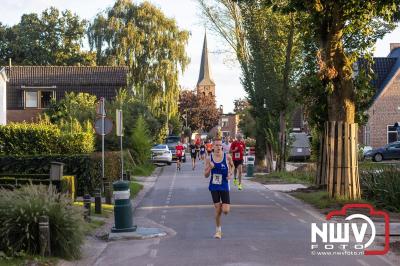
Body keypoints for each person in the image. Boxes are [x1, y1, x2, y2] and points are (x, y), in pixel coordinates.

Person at [204, 136, 234, 239]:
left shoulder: (227, 157)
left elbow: (232, 166)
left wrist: (230, 174)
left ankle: (221, 206)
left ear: (222, 146)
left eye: (220, 145)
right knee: (218, 210)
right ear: (213, 146)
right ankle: (218, 231)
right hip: (214, 186)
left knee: (225, 211)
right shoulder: (209, 158)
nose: (218, 147)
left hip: (224, 185)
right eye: (216, 145)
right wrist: (209, 167)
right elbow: (205, 175)